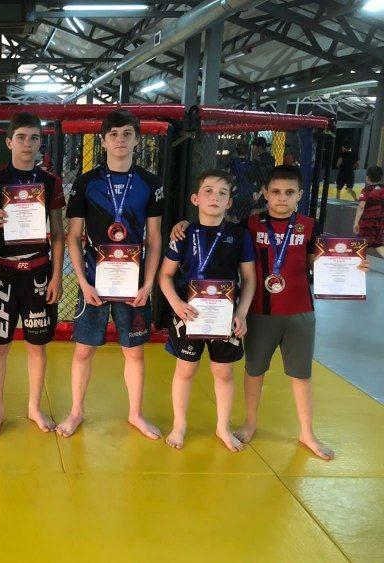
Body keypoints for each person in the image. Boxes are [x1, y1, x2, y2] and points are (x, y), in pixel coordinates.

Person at [169, 165, 371, 459]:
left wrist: (353, 266)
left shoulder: (309, 225)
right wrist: (183, 224)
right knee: (254, 370)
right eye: (275, 192)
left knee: (301, 373)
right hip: (259, 312)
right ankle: (249, 424)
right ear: (265, 193)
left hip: (299, 310)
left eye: (289, 192)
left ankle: (307, 432)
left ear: (300, 194)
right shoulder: (250, 225)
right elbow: (211, 225)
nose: (282, 198)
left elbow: (321, 263)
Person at [56, 109, 165, 439]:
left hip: (134, 284)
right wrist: (83, 282)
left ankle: (135, 414)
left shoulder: (150, 183)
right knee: (83, 350)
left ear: (137, 139)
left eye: (127, 134)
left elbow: (154, 238)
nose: (120, 140)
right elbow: (74, 236)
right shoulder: (86, 183)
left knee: (134, 351)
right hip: (94, 281)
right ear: (103, 141)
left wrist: (148, 284)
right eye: (114, 134)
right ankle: (76, 411)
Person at [0, 112, 65, 436]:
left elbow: (58, 233)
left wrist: (57, 276)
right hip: (4, 271)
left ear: (41, 143)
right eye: (22, 137)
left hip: (39, 271)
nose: (28, 144)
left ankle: (34, 407)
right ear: (10, 142)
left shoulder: (50, 181)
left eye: (34, 138)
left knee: (37, 345)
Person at [159, 169, 256, 452]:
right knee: (185, 369)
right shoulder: (183, 234)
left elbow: (249, 278)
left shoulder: (239, 235)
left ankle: (223, 426)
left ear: (229, 202)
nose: (215, 197)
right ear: (195, 198)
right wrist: (176, 304)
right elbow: (165, 275)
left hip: (225, 316)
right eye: (209, 191)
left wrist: (241, 312)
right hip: (188, 313)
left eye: (222, 193)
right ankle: (179, 424)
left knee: (223, 372)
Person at [353, 165, 384, 258]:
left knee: (359, 244)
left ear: (367, 178)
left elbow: (361, 207)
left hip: (366, 224)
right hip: (379, 223)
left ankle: (356, 264)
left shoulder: (366, 191)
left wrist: (356, 223)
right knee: (378, 244)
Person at [227, 143, 254, 224]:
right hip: (247, 189)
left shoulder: (233, 162)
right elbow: (252, 178)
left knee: (234, 210)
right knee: (246, 212)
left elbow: (232, 176)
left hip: (237, 188)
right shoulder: (250, 163)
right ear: (247, 152)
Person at [248, 136, 275, 214]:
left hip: (258, 190)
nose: (252, 149)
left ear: (259, 147)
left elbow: (251, 177)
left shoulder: (257, 160)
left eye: (254, 147)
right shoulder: (271, 159)